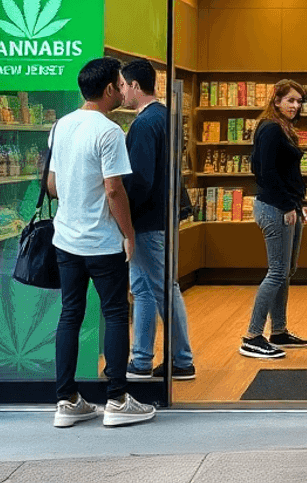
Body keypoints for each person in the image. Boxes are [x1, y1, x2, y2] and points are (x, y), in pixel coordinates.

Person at [48, 56, 156, 428]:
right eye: (120, 84)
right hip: (102, 241)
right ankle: (117, 400)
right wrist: (129, 234)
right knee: (113, 314)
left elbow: (51, 184)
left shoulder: (61, 125)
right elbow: (114, 190)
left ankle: (66, 401)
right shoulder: (109, 132)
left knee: (69, 314)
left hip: (66, 239)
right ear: (110, 88)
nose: (122, 89)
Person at [119, 58, 196, 382]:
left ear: (136, 86)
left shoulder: (144, 125)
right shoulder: (167, 117)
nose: (121, 92)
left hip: (147, 221)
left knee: (163, 288)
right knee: (146, 288)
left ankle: (181, 359)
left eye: (123, 85)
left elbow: (139, 179)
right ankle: (141, 359)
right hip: (163, 215)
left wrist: (123, 218)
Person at [240, 79, 307, 359]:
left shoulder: (281, 127)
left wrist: (296, 204)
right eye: (290, 100)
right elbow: (265, 173)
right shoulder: (270, 129)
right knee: (277, 272)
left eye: (298, 101)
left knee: (285, 271)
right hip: (275, 208)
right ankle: (252, 336)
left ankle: (279, 331)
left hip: (286, 206)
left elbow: (284, 173)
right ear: (277, 101)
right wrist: (287, 205)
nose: (295, 106)